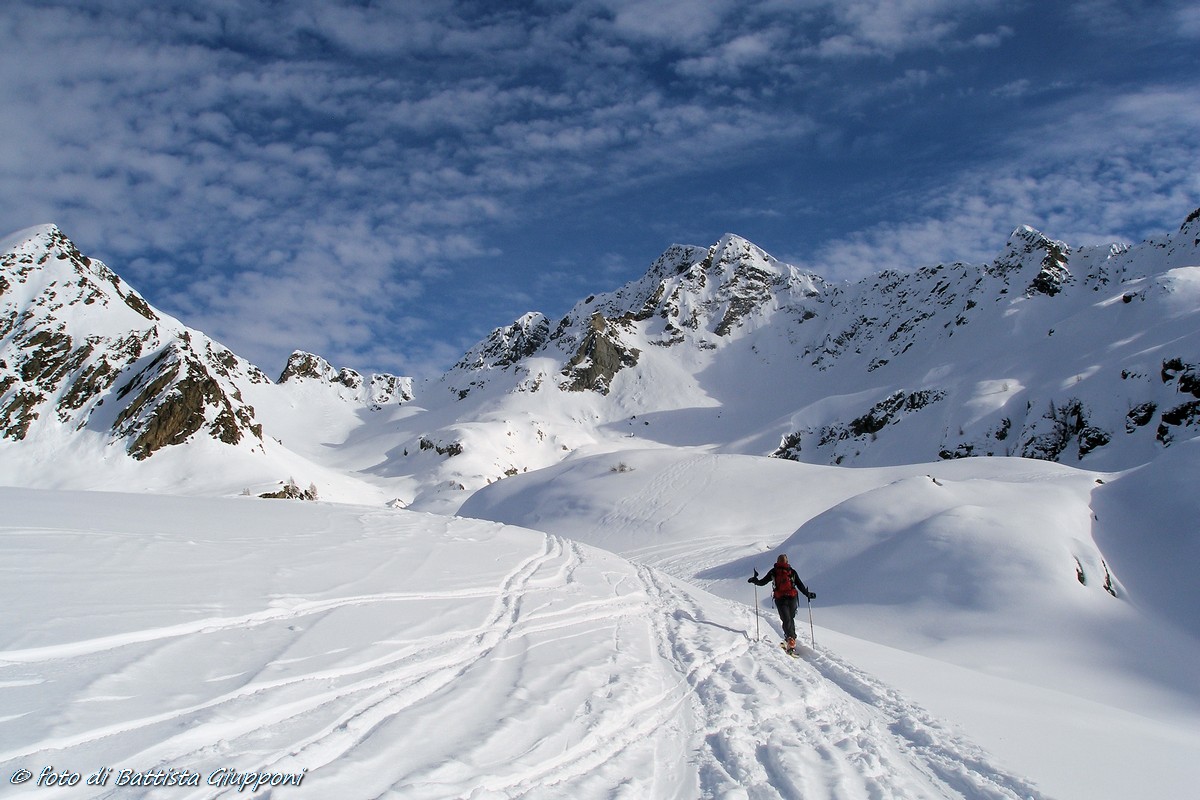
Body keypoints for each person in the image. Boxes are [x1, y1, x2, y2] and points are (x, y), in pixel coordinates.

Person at [749, 554, 815, 653]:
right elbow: (800, 585)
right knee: (790, 618)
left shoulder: (774, 571)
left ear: (777, 561)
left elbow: (762, 582)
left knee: (786, 618)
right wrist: (808, 594)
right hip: (792, 597)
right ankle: (791, 638)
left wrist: (755, 581)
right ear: (787, 561)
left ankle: (790, 639)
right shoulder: (791, 571)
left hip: (780, 598)